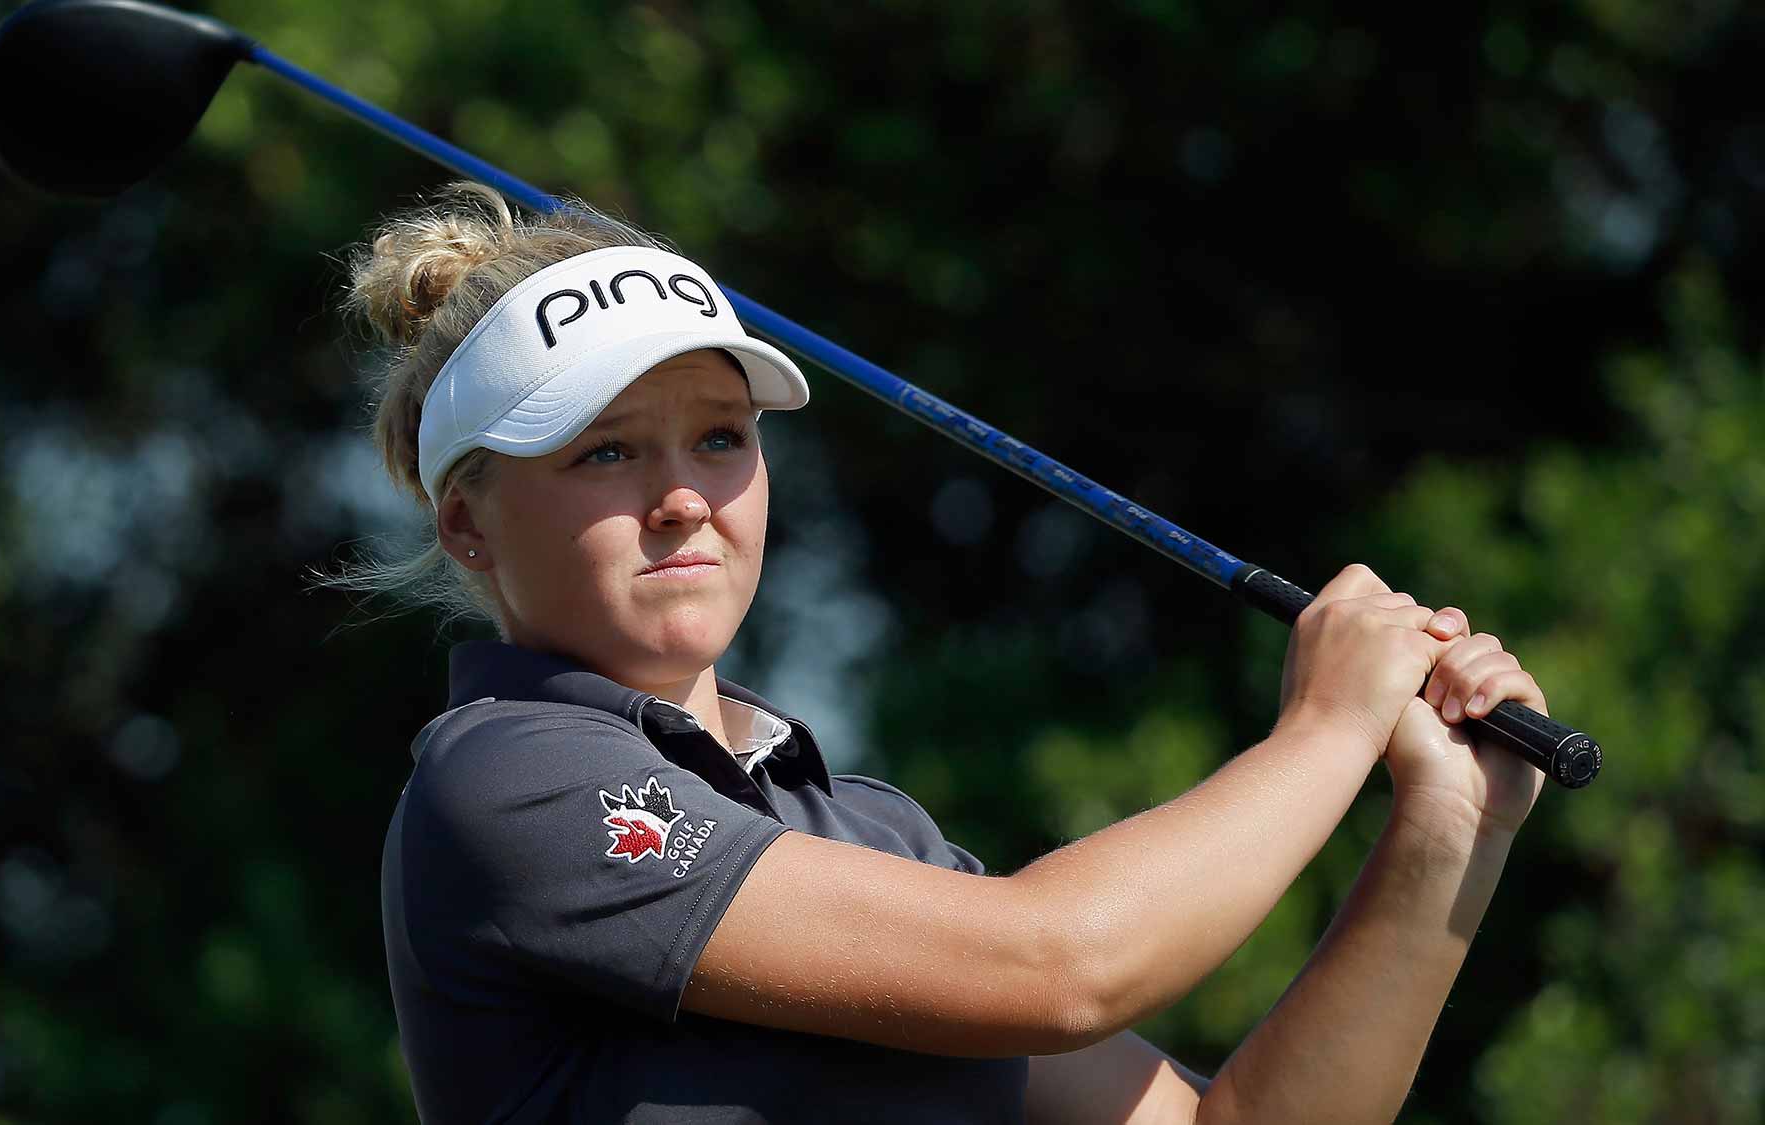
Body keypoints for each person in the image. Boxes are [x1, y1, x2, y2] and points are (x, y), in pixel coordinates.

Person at [330, 182, 1550, 1123]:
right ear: (465, 524)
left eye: (718, 439)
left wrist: (1445, 835)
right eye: (605, 452)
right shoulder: (504, 780)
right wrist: (1327, 730)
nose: (682, 500)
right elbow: (1060, 965)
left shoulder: (873, 833)